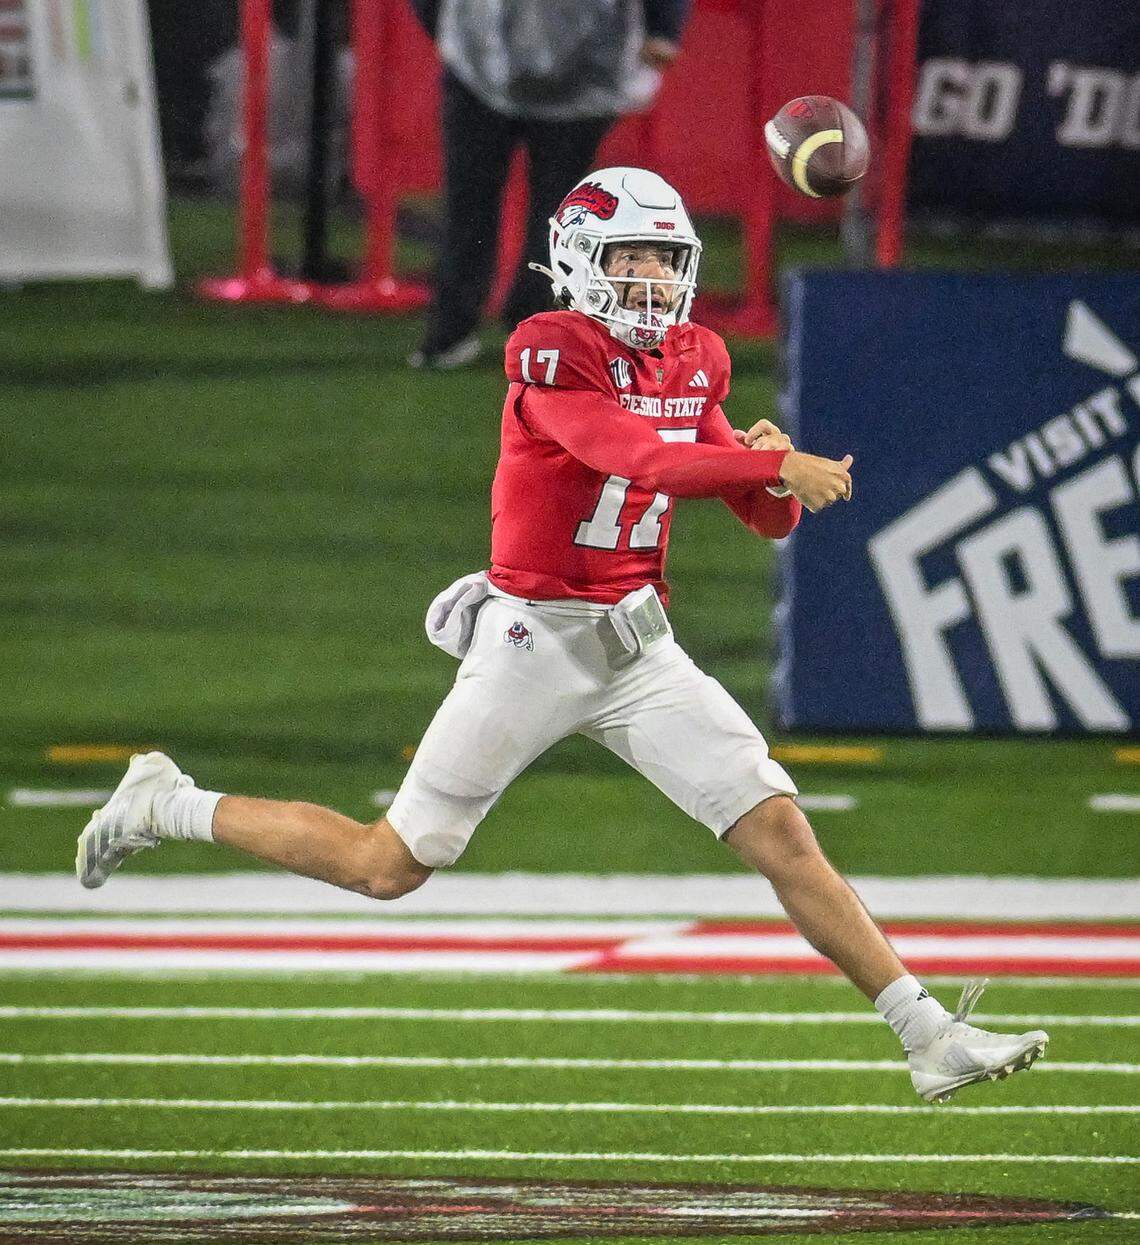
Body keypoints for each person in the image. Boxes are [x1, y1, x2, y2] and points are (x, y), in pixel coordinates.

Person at [76, 166, 1048, 1105]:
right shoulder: (551, 349)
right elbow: (635, 458)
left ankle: (931, 1039)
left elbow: (766, 519)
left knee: (780, 830)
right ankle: (168, 805)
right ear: (583, 261)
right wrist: (768, 461)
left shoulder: (691, 357)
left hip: (638, 649)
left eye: (669, 261)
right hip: (533, 643)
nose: (656, 281)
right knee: (388, 866)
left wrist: (758, 468)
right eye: (633, 259)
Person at [407, 0, 691, 370]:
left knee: (559, 215)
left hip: (575, 64)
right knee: (478, 206)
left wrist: (664, 26)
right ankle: (458, 331)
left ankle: (533, 328)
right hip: (491, 55)